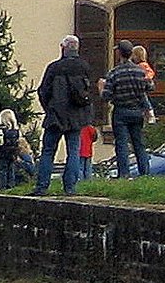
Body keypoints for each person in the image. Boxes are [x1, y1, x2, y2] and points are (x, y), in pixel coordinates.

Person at [32, 34, 94, 196]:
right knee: (73, 151)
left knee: (48, 151)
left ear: (63, 48)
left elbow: (43, 91)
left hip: (55, 115)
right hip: (76, 117)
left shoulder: (54, 68)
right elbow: (88, 93)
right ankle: (70, 187)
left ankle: (42, 186)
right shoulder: (84, 67)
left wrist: (49, 108)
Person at [103, 40, 156, 178]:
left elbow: (106, 96)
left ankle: (124, 174)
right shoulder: (140, 71)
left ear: (119, 53)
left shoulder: (114, 73)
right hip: (137, 111)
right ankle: (145, 172)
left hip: (120, 111)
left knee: (121, 144)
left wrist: (101, 88)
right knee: (138, 143)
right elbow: (150, 87)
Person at [0, 108, 23, 188]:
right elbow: (17, 142)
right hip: (12, 153)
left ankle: (2, 185)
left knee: (3, 169)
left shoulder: (0, 131)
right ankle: (11, 185)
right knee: (11, 169)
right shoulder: (16, 131)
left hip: (3, 153)